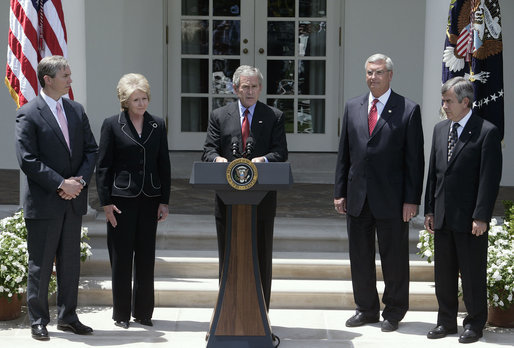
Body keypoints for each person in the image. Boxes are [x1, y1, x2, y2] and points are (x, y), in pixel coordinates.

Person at [333, 53, 424, 332]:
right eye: (370, 72)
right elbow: (344, 154)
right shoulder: (353, 106)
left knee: (394, 258)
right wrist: (340, 192)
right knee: (360, 257)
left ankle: (394, 311)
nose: (373, 77)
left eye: (379, 72)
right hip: (358, 197)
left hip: (393, 200)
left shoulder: (408, 109)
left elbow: (415, 160)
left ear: (390, 75)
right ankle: (366, 309)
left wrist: (411, 199)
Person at [15, 55, 98, 340]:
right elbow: (28, 159)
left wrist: (78, 182)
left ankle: (68, 316)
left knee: (70, 263)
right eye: (65, 75)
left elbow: (91, 150)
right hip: (45, 203)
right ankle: (38, 320)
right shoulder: (29, 113)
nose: (70, 80)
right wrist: (61, 183)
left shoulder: (76, 110)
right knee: (40, 263)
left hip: (72, 201)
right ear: (48, 79)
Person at [202, 65, 288, 312]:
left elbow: (280, 152)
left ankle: (262, 315)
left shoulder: (274, 115)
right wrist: (217, 160)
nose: (249, 91)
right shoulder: (219, 115)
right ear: (235, 88)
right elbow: (208, 150)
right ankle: (226, 314)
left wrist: (263, 160)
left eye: (254, 87)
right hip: (227, 200)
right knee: (229, 259)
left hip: (260, 201)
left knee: (261, 258)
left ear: (260, 88)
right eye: (245, 87)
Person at [424, 77, 502, 344]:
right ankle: (445, 321)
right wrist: (430, 210)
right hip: (443, 216)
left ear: (465, 102)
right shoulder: (439, 129)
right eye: (443, 100)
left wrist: (481, 216)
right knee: (443, 275)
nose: (444, 105)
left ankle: (474, 323)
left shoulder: (486, 132)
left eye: (448, 101)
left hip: (470, 220)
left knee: (472, 275)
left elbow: (488, 180)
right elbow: (433, 175)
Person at [96, 73, 171, 329]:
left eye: (145, 98)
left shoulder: (157, 125)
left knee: (146, 257)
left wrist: (164, 201)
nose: (141, 104)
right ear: (125, 101)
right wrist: (105, 202)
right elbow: (103, 166)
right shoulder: (111, 124)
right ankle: (121, 314)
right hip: (121, 200)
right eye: (136, 99)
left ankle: (143, 312)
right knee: (121, 257)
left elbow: (164, 164)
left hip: (150, 199)